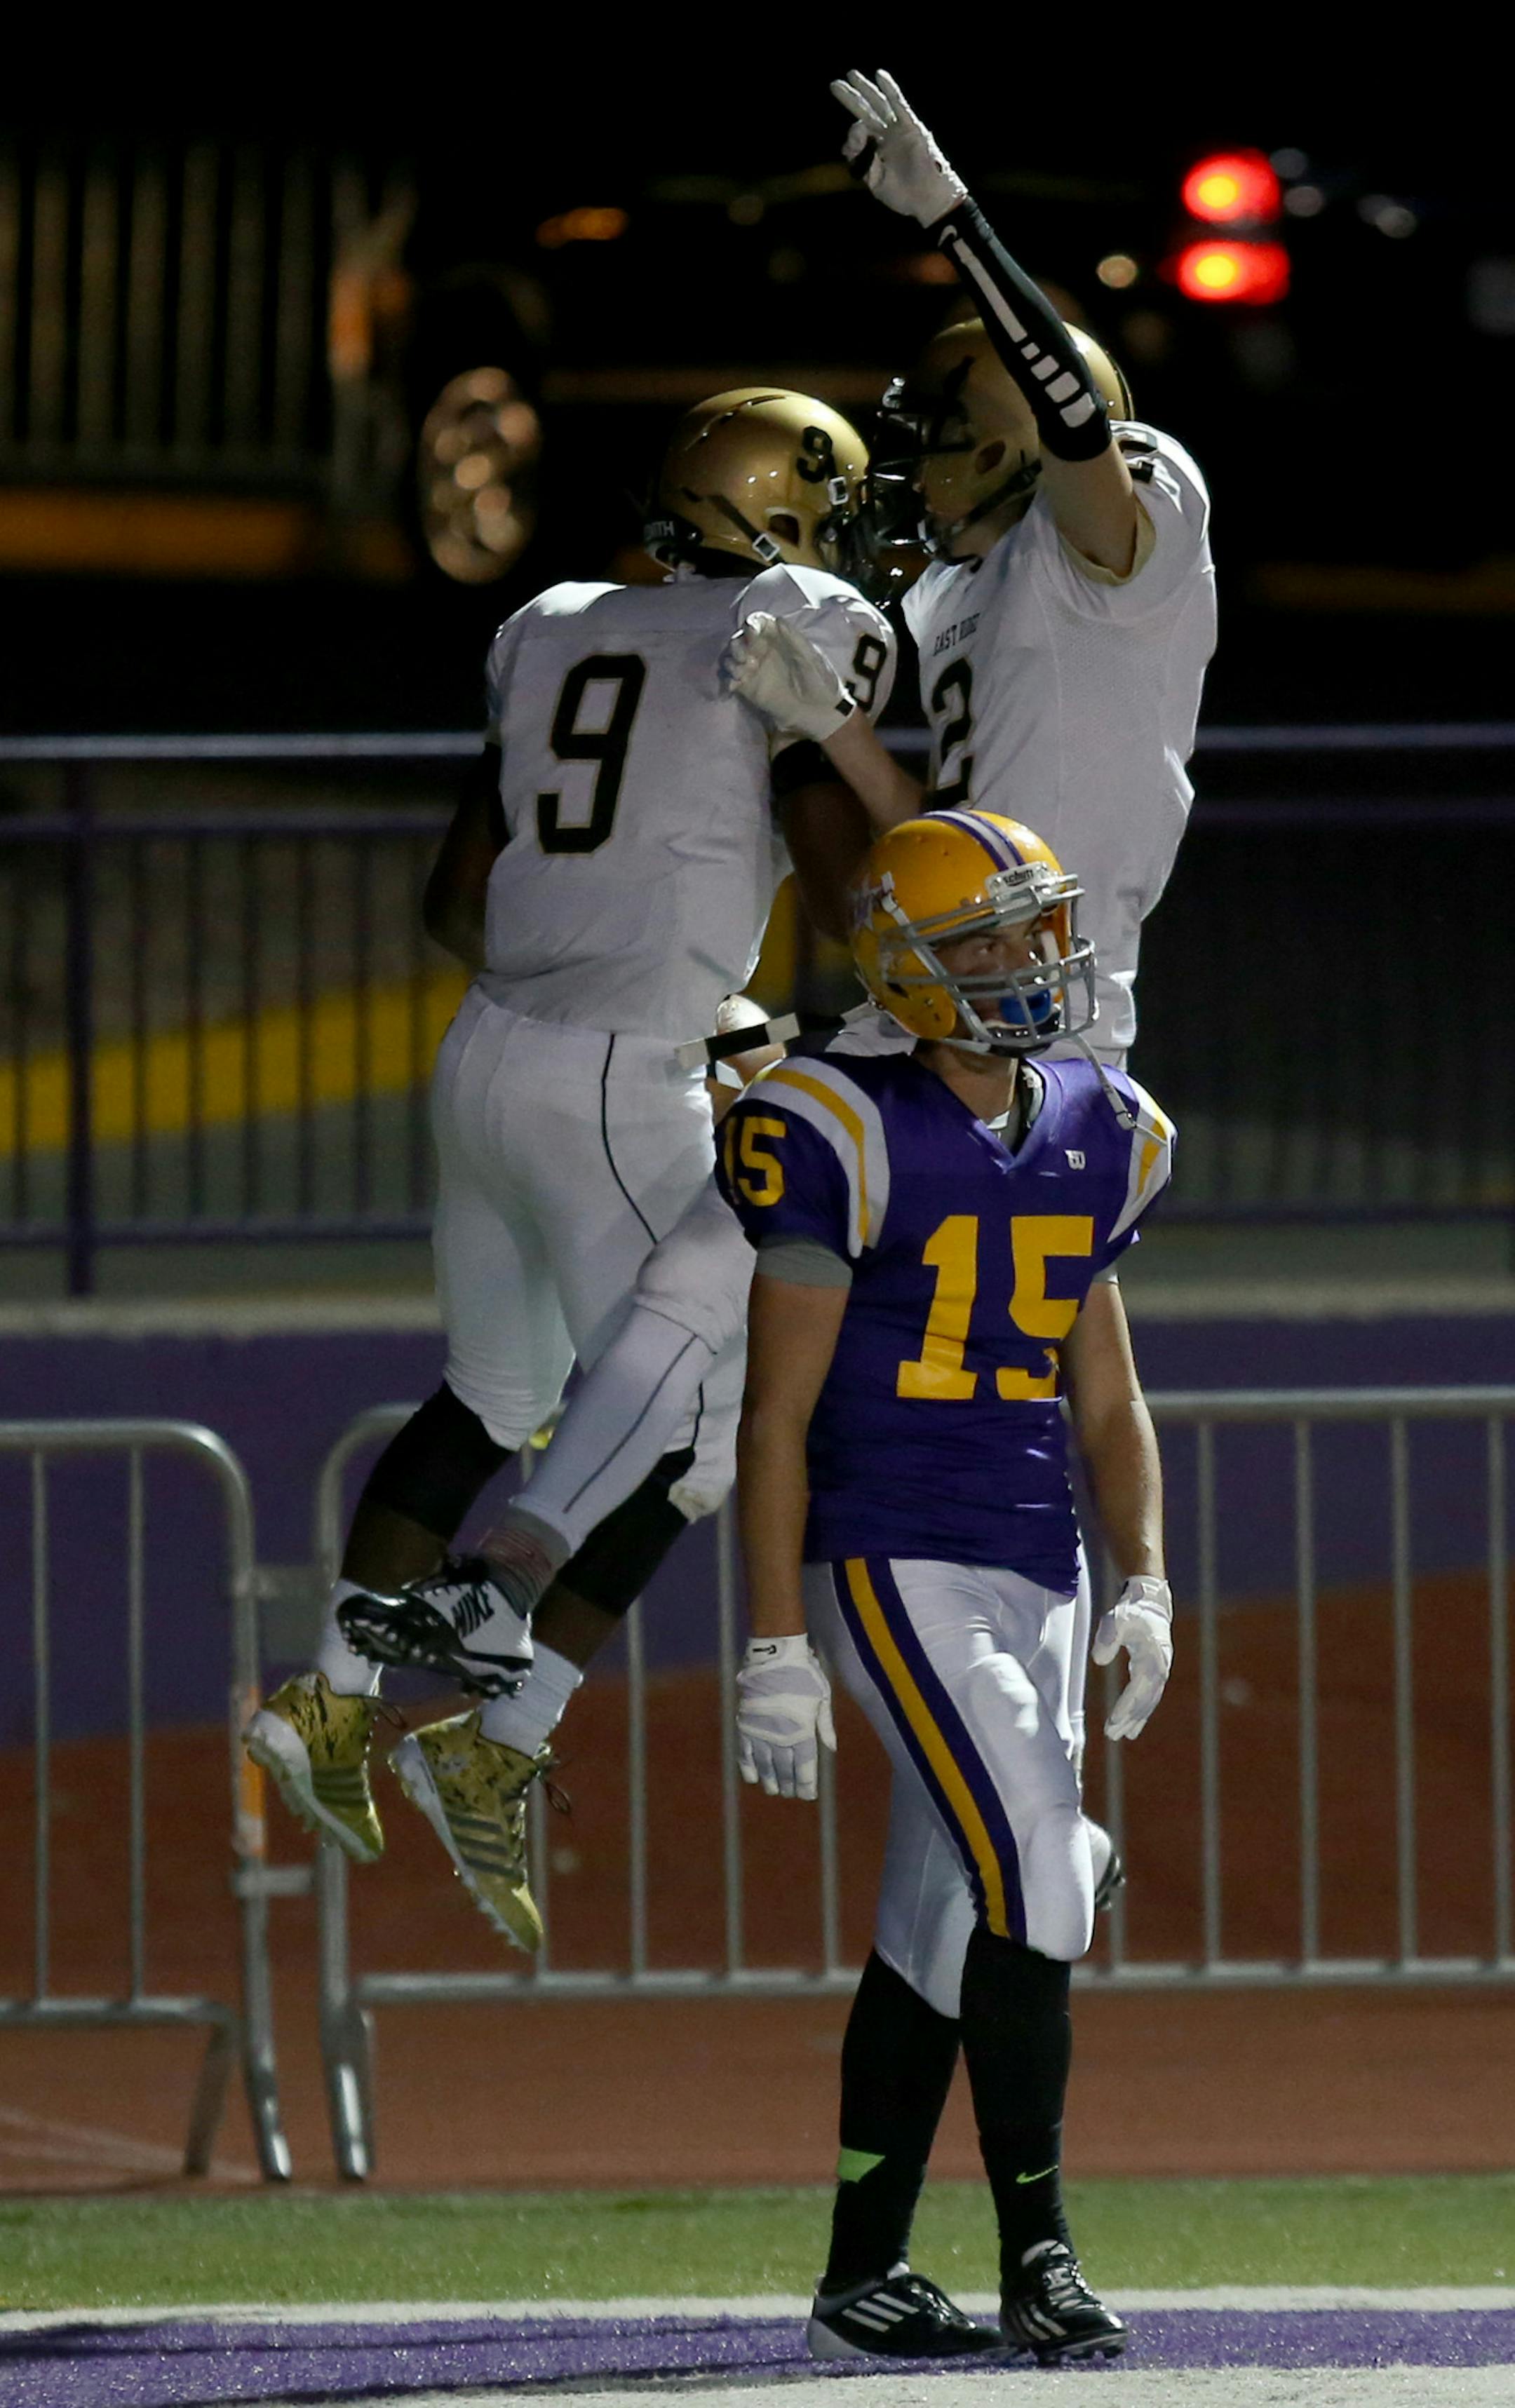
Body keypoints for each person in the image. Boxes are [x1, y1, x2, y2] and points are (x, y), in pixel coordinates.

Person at [377, 62, 1213, 1775]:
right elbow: (921, 853)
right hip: (933, 1005)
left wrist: (957, 220)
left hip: (1047, 1036)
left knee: (850, 1380)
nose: (906, 481)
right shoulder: (968, 585)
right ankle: (510, 1665)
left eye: (928, 442)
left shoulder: (1122, 529)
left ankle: (1062, 1628)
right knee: (709, 1292)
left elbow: (1071, 410)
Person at [244, 388, 896, 1948]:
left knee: (491, 1393)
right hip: (619, 1078)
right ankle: (499, 1730)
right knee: (698, 1434)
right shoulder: (788, 627)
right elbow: (860, 885)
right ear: (784, 518)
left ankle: (332, 1699)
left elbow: (461, 892)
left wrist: (615, 976)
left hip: (483, 1049)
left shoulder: (547, 621)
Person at [718, 809, 1174, 2365]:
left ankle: (864, 2268)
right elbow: (774, 1414)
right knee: (1041, 1874)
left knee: (940, 1924)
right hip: (895, 1553)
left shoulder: (1103, 1118)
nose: (1028, 960)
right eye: (982, 939)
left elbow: (1106, 1399)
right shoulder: (838, 1120)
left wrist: (1148, 1583)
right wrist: (776, 1636)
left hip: (1034, 1558)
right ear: (909, 974)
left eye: (1034, 927)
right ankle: (1041, 2251)